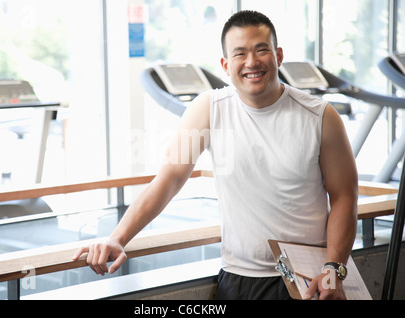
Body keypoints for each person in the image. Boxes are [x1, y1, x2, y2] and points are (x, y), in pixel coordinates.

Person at [73, 10, 358, 300]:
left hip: (306, 281)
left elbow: (344, 195)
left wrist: (334, 270)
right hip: (237, 279)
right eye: (240, 54)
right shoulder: (208, 109)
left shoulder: (320, 116)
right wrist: (118, 237)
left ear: (278, 55)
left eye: (262, 50)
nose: (251, 62)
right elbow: (169, 178)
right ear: (225, 64)